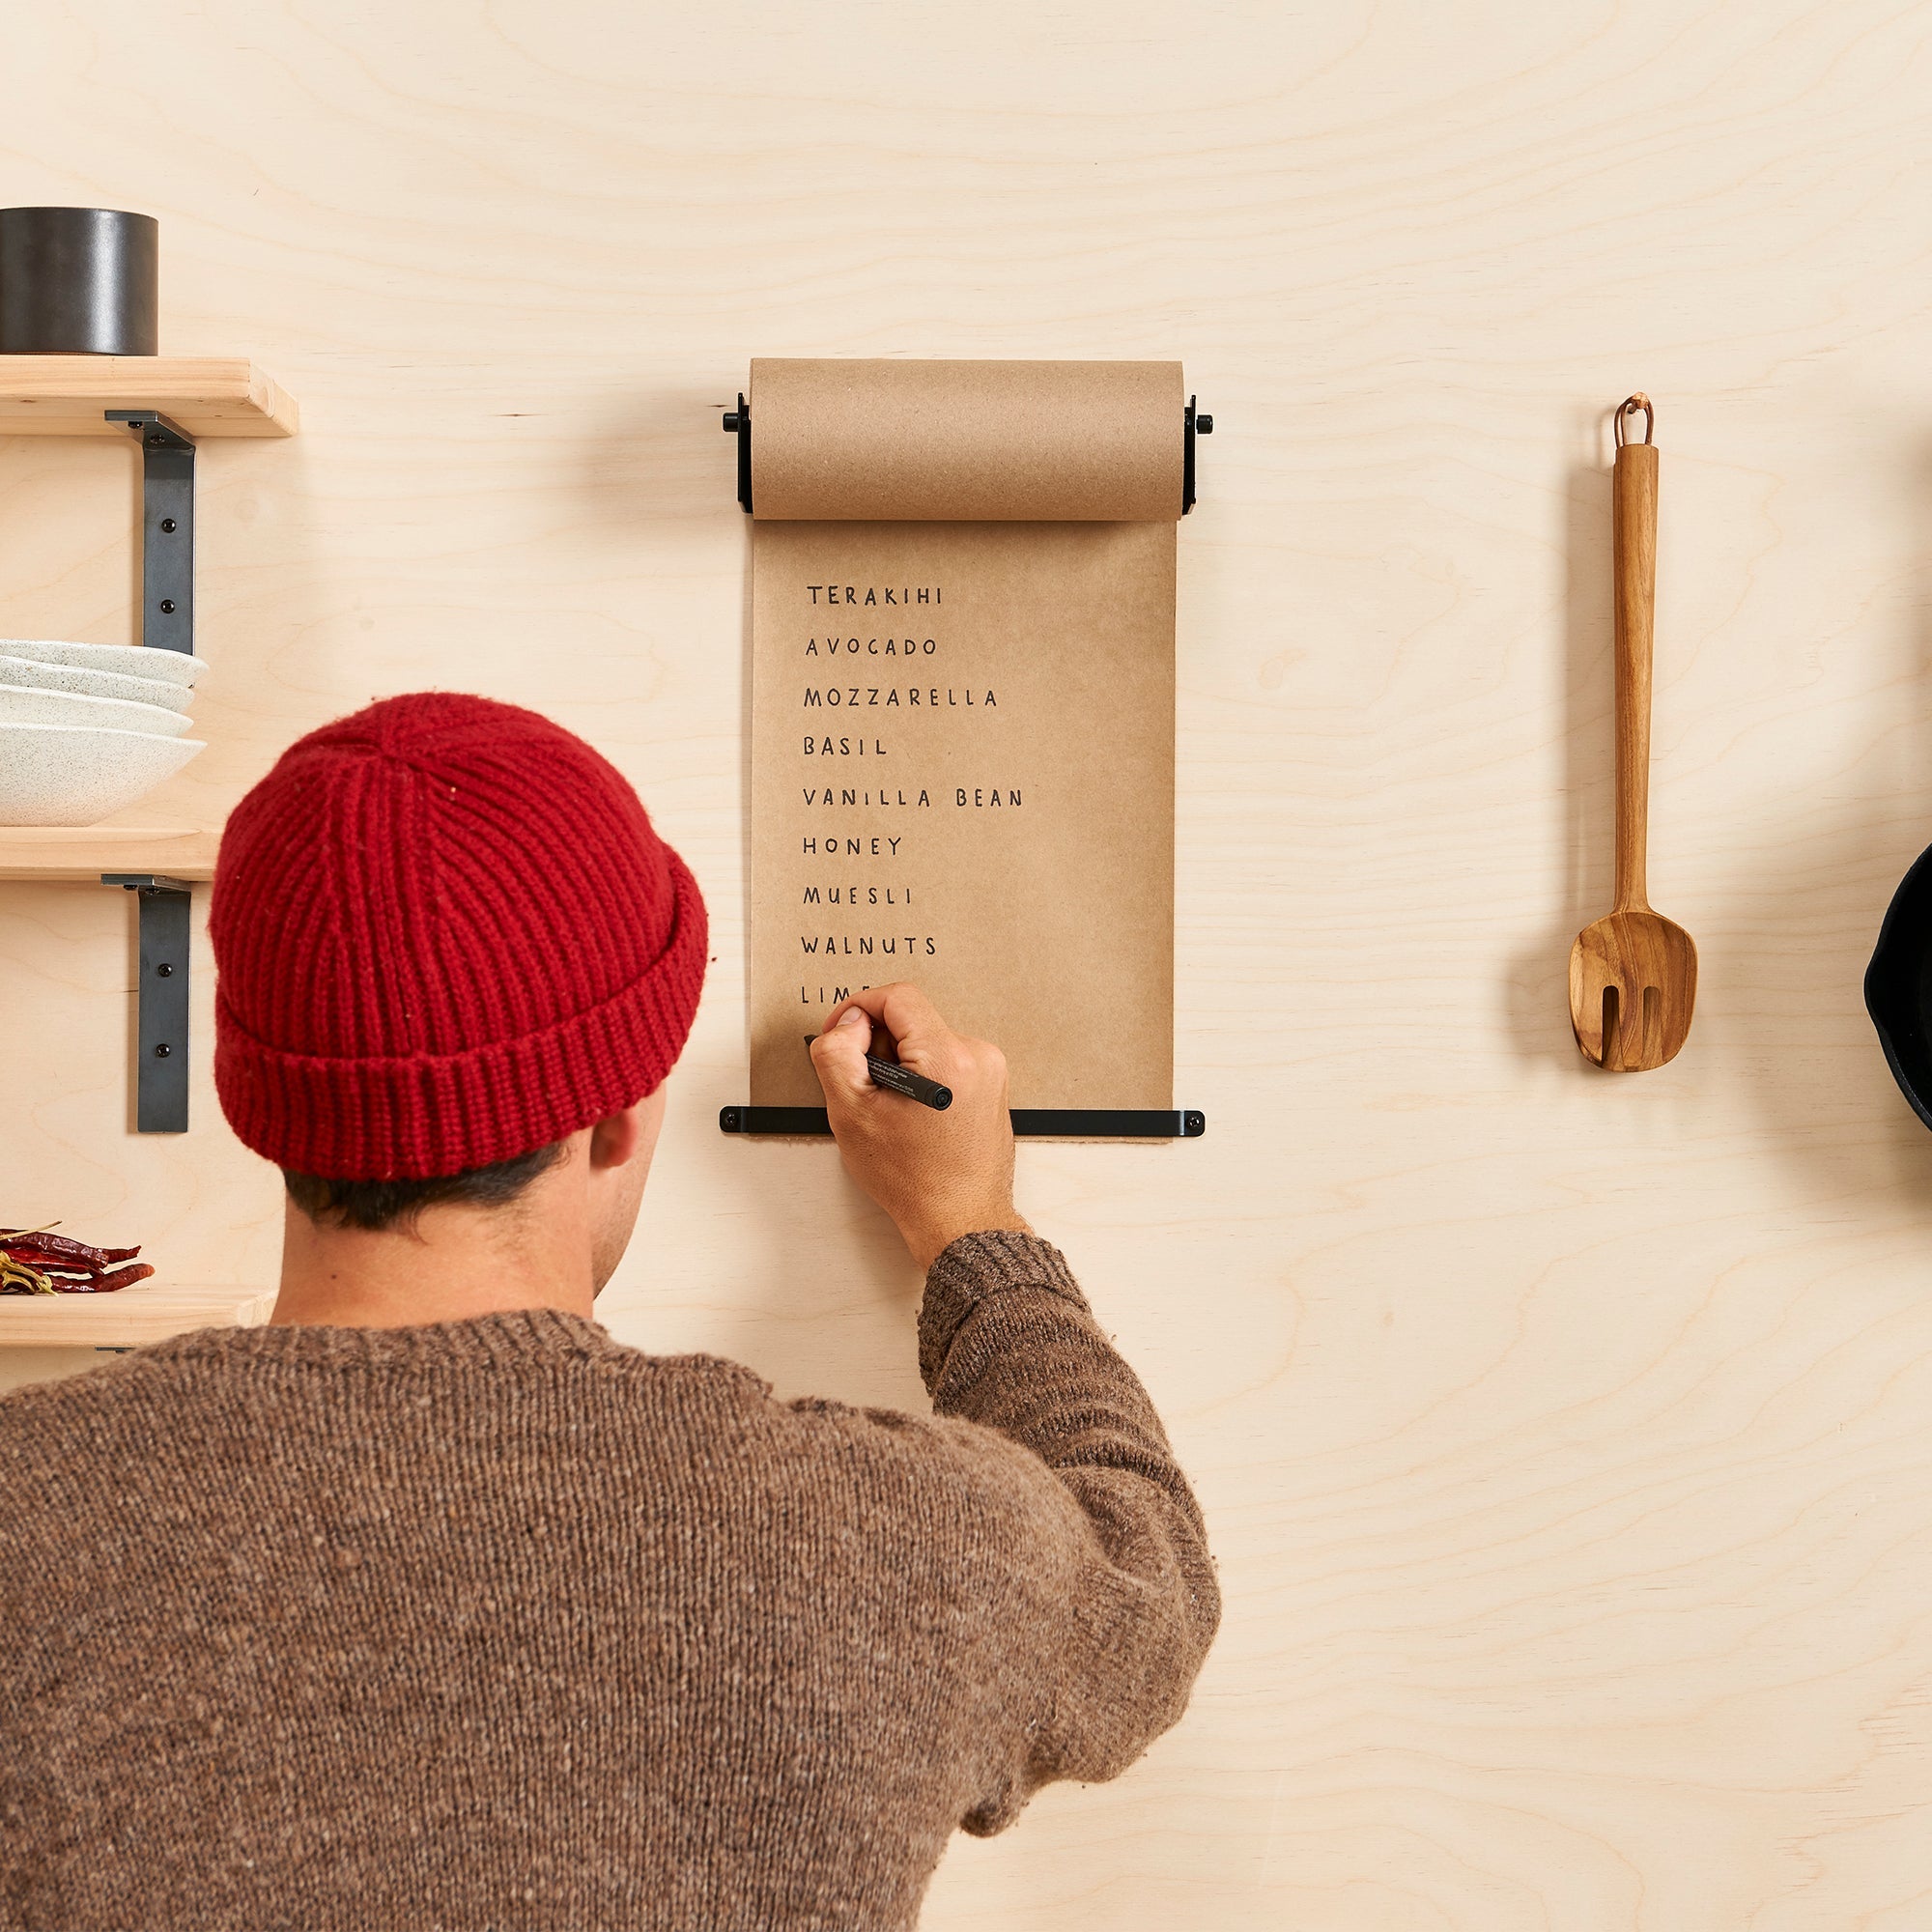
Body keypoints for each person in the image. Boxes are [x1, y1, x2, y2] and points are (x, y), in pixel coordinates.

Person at [0, 693, 1218, 1931]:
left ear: (255, 1099)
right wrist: (974, 1230)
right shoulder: (880, 1542)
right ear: (620, 1111)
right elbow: (1151, 1587)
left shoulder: (25, 1520)